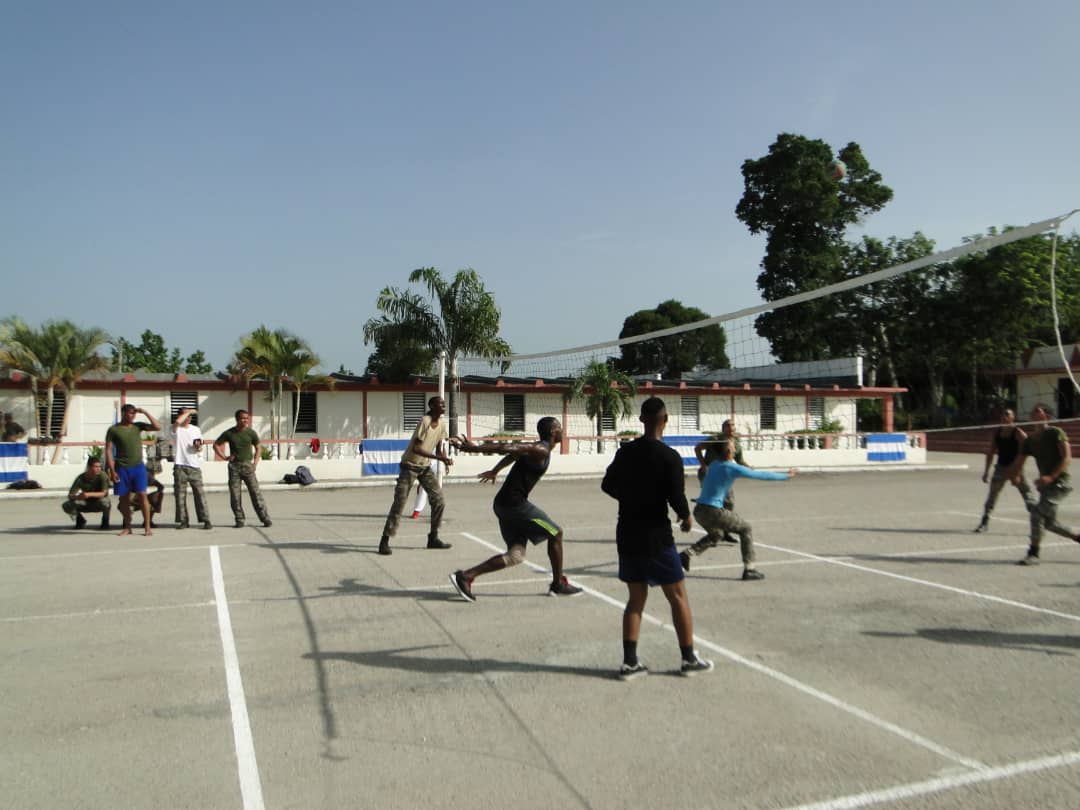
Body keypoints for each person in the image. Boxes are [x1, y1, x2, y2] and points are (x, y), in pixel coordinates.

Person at [601, 397, 712, 680]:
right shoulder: (670, 457)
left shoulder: (625, 452)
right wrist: (686, 517)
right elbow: (676, 496)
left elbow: (607, 485)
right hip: (656, 535)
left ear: (641, 420)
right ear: (666, 420)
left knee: (635, 600)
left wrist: (629, 497)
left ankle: (629, 663)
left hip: (627, 531)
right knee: (677, 596)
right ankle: (688, 659)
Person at [448, 417, 582, 601]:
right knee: (556, 533)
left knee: (515, 555)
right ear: (552, 431)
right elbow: (507, 448)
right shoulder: (540, 449)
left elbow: (512, 456)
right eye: (560, 427)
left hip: (504, 505)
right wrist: (474, 449)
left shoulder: (539, 450)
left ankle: (466, 576)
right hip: (515, 505)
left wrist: (495, 471)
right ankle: (558, 584)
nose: (563, 431)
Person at [681, 440, 797, 580]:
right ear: (729, 452)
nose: (735, 448)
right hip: (713, 511)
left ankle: (687, 554)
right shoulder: (731, 467)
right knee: (745, 529)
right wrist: (787, 475)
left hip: (699, 510)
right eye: (733, 447)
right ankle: (749, 569)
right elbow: (760, 475)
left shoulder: (714, 464)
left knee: (716, 535)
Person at [377, 396, 453, 555]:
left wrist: (445, 459)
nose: (443, 406)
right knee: (400, 503)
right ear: (432, 406)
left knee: (439, 500)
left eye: (444, 404)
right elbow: (417, 449)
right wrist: (440, 458)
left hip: (424, 467)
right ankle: (384, 541)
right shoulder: (425, 421)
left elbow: (440, 448)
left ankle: (433, 537)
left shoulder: (442, 425)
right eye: (440, 404)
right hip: (409, 466)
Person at [1007, 404, 1080, 565]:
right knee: (1050, 523)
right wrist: (1014, 476)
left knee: (1037, 514)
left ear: (1046, 416)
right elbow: (1019, 461)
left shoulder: (1056, 433)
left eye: (1039, 412)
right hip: (1046, 486)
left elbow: (1067, 458)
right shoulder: (1029, 441)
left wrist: (1050, 477)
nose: (1035, 414)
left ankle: (1033, 553)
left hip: (1060, 483)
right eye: (1033, 412)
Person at [105, 403, 162, 536]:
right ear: (123, 413)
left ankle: (147, 527)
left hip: (138, 467)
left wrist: (145, 412)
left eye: (134, 413)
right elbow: (108, 450)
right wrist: (112, 471)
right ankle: (128, 527)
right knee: (124, 499)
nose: (132, 416)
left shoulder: (138, 426)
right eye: (130, 413)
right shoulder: (114, 430)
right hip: (121, 467)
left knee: (142, 495)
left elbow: (157, 427)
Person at [973, 407, 1033, 533]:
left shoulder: (1018, 433)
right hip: (1001, 468)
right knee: (992, 495)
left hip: (1015, 467)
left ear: (1013, 418)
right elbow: (990, 452)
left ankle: (1038, 521)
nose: (1004, 417)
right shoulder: (998, 433)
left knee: (1027, 495)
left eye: (1007, 414)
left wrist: (1017, 471)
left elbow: (1025, 452)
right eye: (1003, 414)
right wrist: (986, 471)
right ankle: (984, 522)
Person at [214, 409, 272, 529]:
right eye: (242, 418)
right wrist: (224, 457)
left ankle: (265, 518)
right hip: (234, 467)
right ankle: (239, 519)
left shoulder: (251, 433)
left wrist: (255, 463)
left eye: (247, 418)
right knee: (235, 495)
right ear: (237, 419)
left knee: (255, 494)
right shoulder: (229, 433)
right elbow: (216, 445)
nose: (245, 420)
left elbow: (258, 447)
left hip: (247, 466)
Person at [692, 419, 746, 546]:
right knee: (713, 505)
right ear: (723, 429)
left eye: (733, 425)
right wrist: (703, 465)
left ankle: (725, 532)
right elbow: (697, 448)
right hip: (709, 474)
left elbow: (740, 460)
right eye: (728, 425)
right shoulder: (716, 439)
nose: (731, 427)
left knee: (729, 503)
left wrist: (749, 468)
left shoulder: (736, 443)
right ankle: (714, 533)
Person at [172, 408, 212, 530]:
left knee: (200, 494)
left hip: (194, 465)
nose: (188, 417)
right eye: (185, 415)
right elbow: (178, 422)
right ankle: (183, 520)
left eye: (189, 416)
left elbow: (199, 448)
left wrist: (198, 446)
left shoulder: (196, 429)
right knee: (180, 495)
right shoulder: (175, 428)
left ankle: (206, 519)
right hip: (180, 465)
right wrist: (189, 411)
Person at [62, 457, 112, 530]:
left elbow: (104, 493)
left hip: (98, 502)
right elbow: (70, 495)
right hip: (85, 503)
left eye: (99, 467)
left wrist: (88, 494)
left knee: (106, 502)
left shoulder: (102, 475)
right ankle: (80, 521)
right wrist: (78, 497)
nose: (99, 469)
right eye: (96, 467)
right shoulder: (80, 478)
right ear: (89, 467)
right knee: (67, 505)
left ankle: (105, 523)